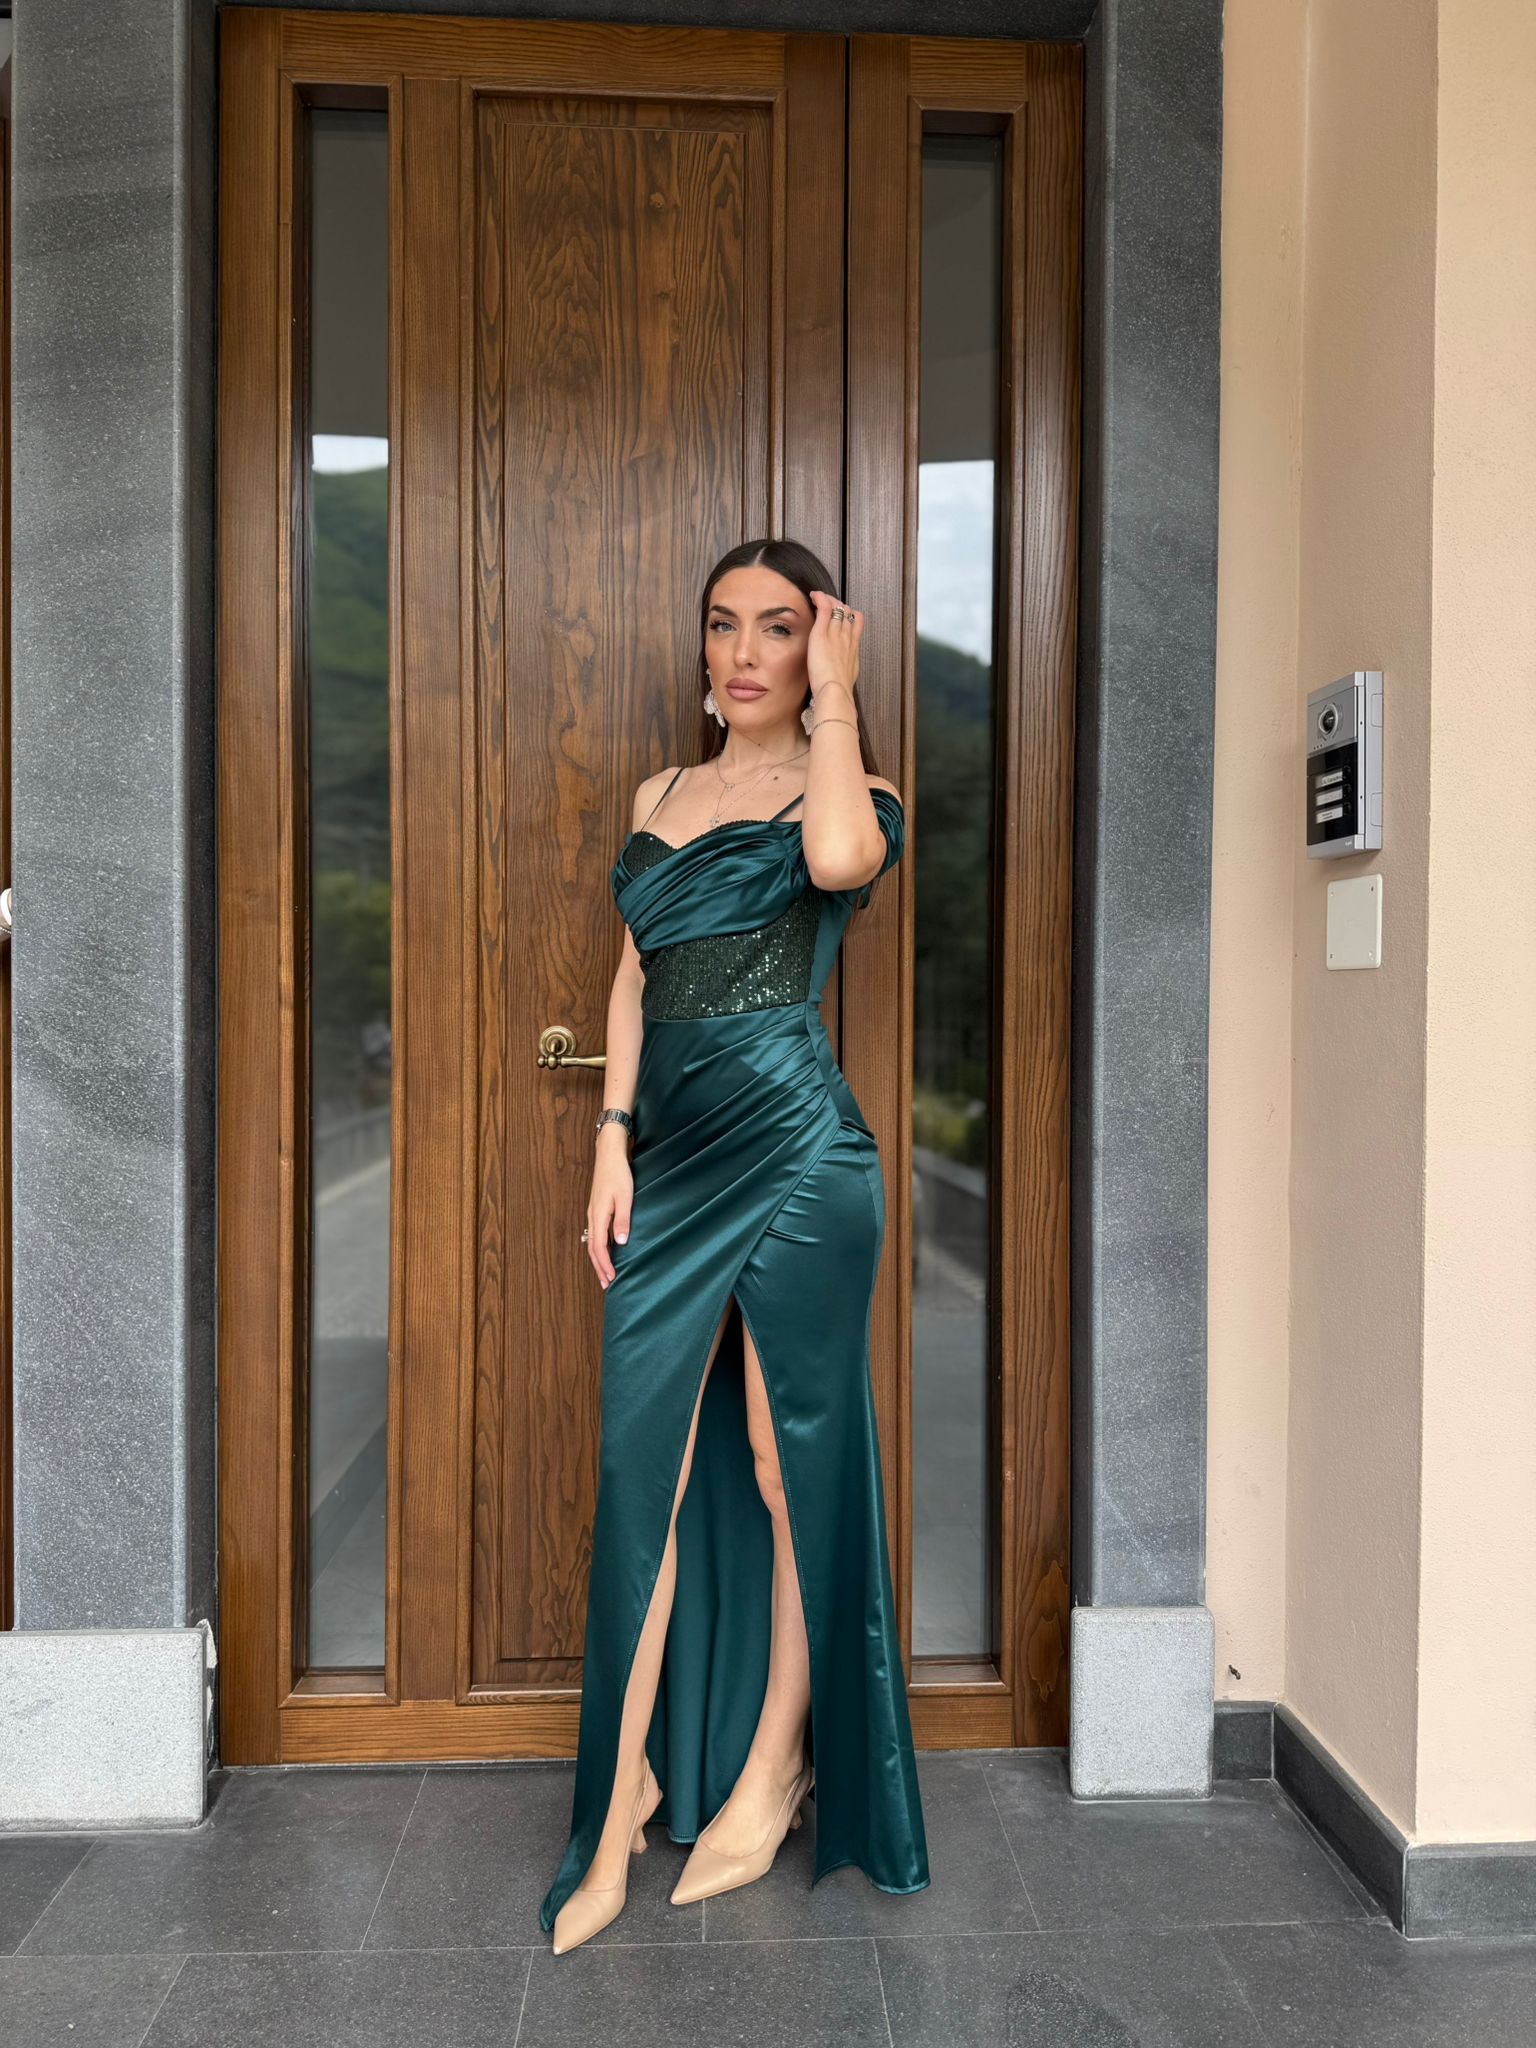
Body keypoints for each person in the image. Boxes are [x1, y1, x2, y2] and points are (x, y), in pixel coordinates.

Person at [539, 536, 931, 1954]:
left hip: (801, 1161)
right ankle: (619, 1799)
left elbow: (833, 862)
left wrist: (840, 701)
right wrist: (610, 1138)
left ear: (817, 643)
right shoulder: (662, 793)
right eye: (724, 625)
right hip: (672, 1166)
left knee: (783, 1464)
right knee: (641, 1469)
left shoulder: (858, 791)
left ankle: (774, 1768)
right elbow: (631, 974)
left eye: (778, 626)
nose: (744, 651)